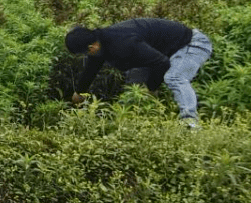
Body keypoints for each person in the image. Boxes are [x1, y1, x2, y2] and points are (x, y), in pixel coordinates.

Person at [65, 18, 213, 127]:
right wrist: (79, 94)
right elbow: (90, 71)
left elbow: (162, 63)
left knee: (173, 77)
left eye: (86, 50)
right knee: (134, 86)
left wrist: (152, 88)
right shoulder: (99, 46)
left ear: (92, 45)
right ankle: (145, 124)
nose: (87, 54)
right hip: (163, 52)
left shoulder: (123, 43)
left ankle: (190, 123)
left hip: (192, 44)